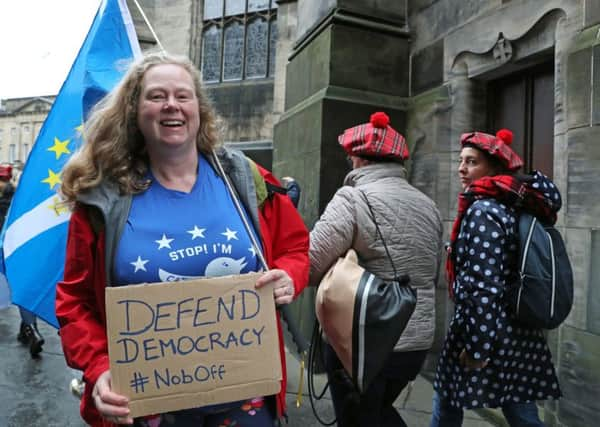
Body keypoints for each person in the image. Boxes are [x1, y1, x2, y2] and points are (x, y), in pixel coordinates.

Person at [55, 51, 309, 427]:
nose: (171, 105)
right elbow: (74, 301)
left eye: (182, 95)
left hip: (246, 404)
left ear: (199, 109)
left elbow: (295, 248)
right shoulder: (103, 199)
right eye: (156, 96)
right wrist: (98, 366)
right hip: (148, 409)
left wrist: (289, 275)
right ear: (134, 111)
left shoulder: (244, 178)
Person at [309, 112, 443, 427]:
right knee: (378, 412)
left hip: (362, 341)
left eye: (350, 158)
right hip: (414, 343)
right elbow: (433, 273)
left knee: (358, 419)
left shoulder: (353, 198)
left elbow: (312, 265)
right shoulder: (429, 206)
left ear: (360, 159)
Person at [430, 129, 562, 427]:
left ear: (494, 167)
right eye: (461, 161)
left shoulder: (483, 211)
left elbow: (484, 284)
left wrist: (478, 348)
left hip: (485, 329)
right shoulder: (512, 206)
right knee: (521, 411)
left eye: (472, 162)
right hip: (516, 328)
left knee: (448, 403)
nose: (462, 168)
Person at [0, 164, 45, 357]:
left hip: (6, 248)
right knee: (22, 289)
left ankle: (30, 330)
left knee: (14, 289)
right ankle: (28, 330)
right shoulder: (19, 198)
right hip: (18, 248)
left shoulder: (9, 200)